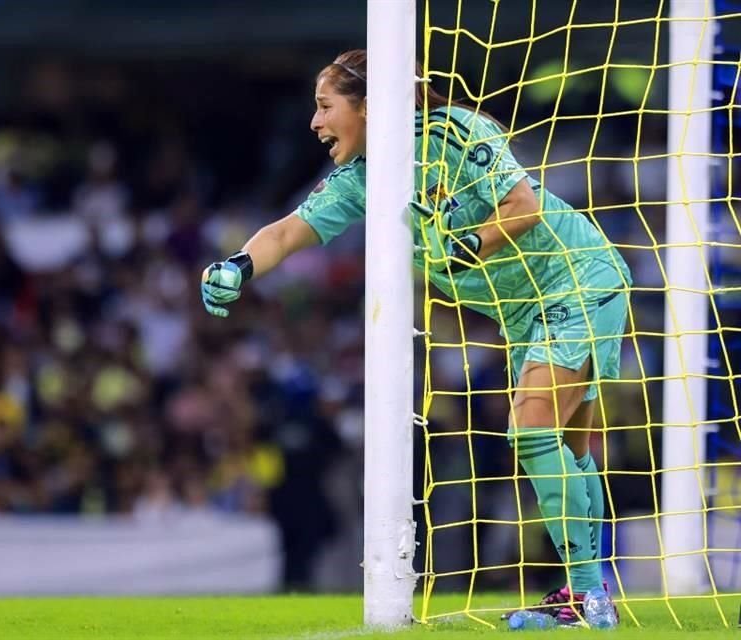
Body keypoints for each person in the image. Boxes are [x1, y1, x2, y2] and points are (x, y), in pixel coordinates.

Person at [200, 49, 630, 625]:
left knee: (532, 431)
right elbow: (284, 232)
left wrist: (470, 244)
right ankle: (591, 597)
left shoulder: (456, 131)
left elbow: (522, 205)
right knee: (569, 450)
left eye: (325, 107)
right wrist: (238, 266)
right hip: (520, 311)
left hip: (575, 275)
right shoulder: (361, 182)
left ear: (369, 107)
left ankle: (586, 599)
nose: (315, 123)